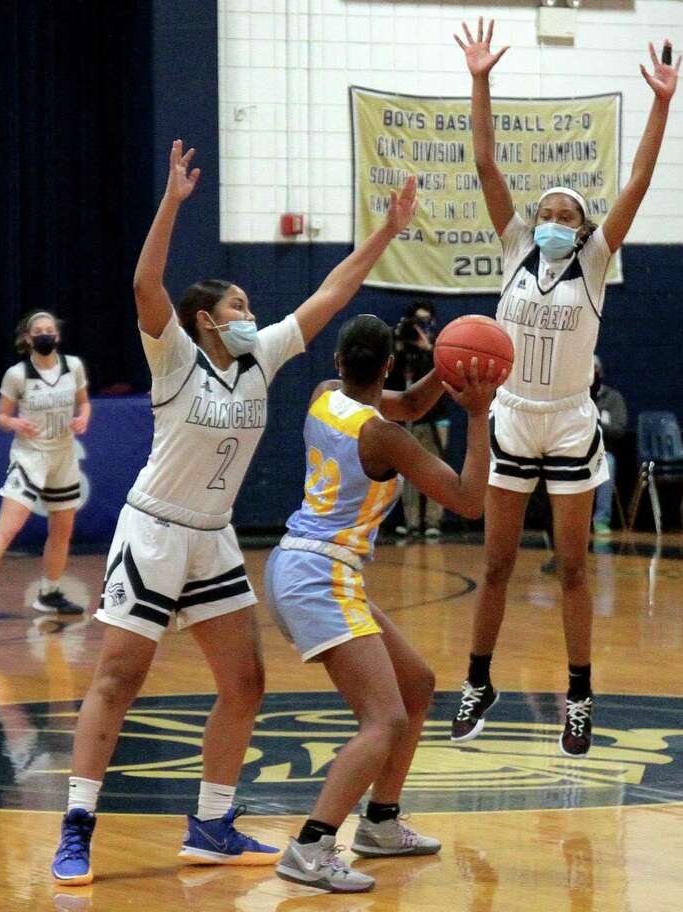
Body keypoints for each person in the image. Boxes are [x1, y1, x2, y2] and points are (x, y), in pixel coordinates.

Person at [49, 141, 418, 886]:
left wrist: (384, 233)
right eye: (238, 306)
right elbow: (143, 279)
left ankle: (211, 825)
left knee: (246, 684)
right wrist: (173, 204)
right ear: (204, 321)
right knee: (118, 681)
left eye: (251, 305)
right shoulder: (176, 357)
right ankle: (77, 826)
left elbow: (334, 292)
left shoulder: (263, 356)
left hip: (212, 540)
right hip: (153, 528)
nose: (252, 314)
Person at [449, 19, 681, 756]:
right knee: (494, 563)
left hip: (571, 421)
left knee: (575, 566)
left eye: (564, 216)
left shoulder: (595, 262)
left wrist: (662, 105)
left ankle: (579, 694)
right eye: (545, 213)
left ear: (581, 230)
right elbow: (484, 161)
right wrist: (481, 78)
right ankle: (478, 679)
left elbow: (638, 181)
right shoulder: (516, 248)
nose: (552, 221)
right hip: (514, 416)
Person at [265, 315, 503, 893]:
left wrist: (450, 373)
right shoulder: (385, 439)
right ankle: (311, 845)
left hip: (297, 563)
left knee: (416, 684)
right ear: (390, 365)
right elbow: (470, 501)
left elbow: (410, 405)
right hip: (319, 576)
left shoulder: (324, 397)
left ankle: (379, 823)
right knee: (385, 719)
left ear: (340, 363)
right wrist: (476, 413)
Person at [0, 311, 91, 621]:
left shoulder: (74, 367)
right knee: (7, 528)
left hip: (63, 457)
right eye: (38, 331)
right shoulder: (17, 374)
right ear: (28, 338)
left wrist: (83, 417)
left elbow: (84, 402)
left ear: (58, 335)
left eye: (49, 330)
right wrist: (15, 422)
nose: (44, 335)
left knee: (62, 530)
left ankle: (50, 593)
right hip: (30, 458)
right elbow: (0, 417)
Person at [388, 301, 450, 538]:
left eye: (424, 322)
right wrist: (400, 349)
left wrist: (427, 349)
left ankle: (433, 522)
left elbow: (444, 376)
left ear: (432, 322)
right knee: (409, 473)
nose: (420, 328)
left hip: (437, 418)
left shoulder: (440, 348)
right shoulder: (400, 348)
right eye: (416, 322)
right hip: (407, 419)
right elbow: (392, 381)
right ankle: (411, 522)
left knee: (437, 471)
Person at [590, 356, 627, 536]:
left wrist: (594, 423)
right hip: (572, 450)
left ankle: (601, 519)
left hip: (601, 451)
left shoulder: (613, 398)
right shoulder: (573, 399)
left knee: (607, 463)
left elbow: (618, 429)